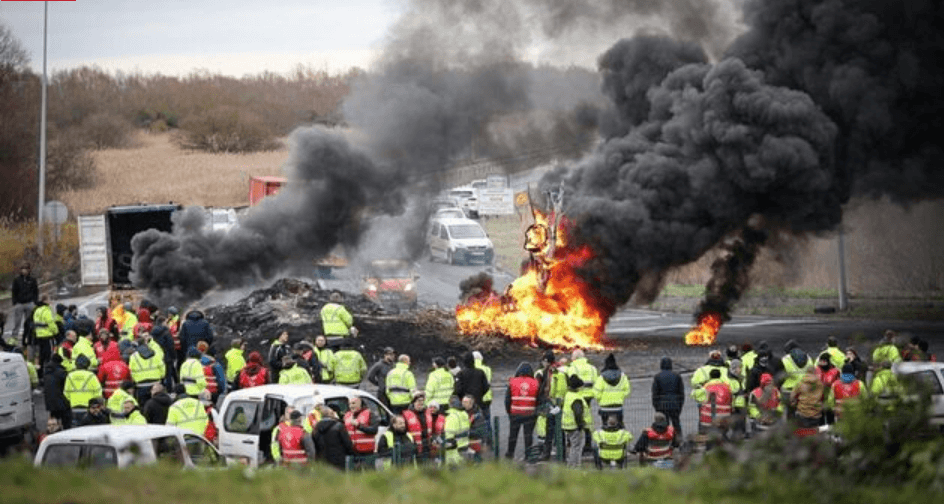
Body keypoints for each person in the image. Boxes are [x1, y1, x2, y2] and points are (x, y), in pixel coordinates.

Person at [535, 350, 567, 460]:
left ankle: (559, 455)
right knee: (551, 430)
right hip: (552, 404)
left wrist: (556, 402)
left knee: (558, 430)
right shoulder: (550, 371)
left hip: (556, 404)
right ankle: (548, 454)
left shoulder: (557, 372)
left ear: (547, 361)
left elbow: (559, 390)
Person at [505, 361, 538, 460]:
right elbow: (538, 398)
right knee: (528, 435)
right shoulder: (535, 382)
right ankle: (528, 455)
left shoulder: (512, 381)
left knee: (513, 435)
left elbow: (507, 399)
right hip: (530, 412)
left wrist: (509, 412)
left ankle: (510, 454)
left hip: (515, 412)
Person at [312, 404, 355, 470]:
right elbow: (348, 444)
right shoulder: (339, 426)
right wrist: (352, 454)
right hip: (338, 462)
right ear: (332, 414)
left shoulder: (316, 428)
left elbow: (314, 446)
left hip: (322, 462)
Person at [561, 374, 591, 468]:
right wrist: (581, 425)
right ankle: (574, 466)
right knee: (576, 447)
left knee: (573, 445)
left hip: (567, 424)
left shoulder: (568, 395)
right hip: (574, 426)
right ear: (578, 387)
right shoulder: (576, 398)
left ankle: (571, 464)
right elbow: (578, 413)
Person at [652, 357, 685, 439]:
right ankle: (678, 439)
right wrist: (680, 405)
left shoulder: (657, 377)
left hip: (662, 405)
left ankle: (666, 439)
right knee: (676, 423)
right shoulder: (677, 376)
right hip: (675, 404)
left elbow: (655, 393)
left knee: (664, 425)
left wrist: (656, 406)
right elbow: (681, 392)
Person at [692, 369, 732, 436]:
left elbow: (704, 401)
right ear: (720, 376)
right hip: (725, 414)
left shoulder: (706, 386)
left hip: (710, 416)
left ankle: (703, 434)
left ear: (710, 376)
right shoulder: (727, 386)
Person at [64, 355, 103, 423]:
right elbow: (98, 394)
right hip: (88, 408)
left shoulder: (70, 376)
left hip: (74, 407)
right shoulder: (91, 376)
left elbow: (66, 394)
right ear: (87, 364)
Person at [594, 353, 630, 427]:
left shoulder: (601, 377)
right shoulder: (623, 376)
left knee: (605, 427)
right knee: (619, 427)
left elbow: (596, 392)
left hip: (604, 407)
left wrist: (600, 400)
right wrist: (621, 397)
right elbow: (627, 390)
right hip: (618, 406)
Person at [129, 338, 165, 405]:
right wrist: (161, 377)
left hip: (141, 385)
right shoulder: (155, 354)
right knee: (157, 405)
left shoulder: (133, 356)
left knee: (143, 405)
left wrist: (134, 381)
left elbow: (131, 371)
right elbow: (162, 366)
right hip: (155, 383)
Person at [781, 340, 812, 418]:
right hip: (804, 390)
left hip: (788, 391)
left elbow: (781, 375)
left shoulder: (785, 359)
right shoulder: (808, 358)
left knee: (788, 414)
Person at [11, 263, 39, 348]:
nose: (24, 270)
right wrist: (15, 302)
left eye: (26, 269)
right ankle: (14, 339)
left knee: (30, 322)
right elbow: (14, 291)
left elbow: (36, 291)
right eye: (22, 269)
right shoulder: (17, 280)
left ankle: (30, 338)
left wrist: (35, 301)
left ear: (29, 270)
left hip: (30, 303)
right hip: (19, 303)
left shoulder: (32, 280)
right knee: (17, 323)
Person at [403, 392, 436, 458]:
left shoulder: (428, 412)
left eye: (422, 400)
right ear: (414, 402)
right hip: (415, 448)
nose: (421, 403)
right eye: (419, 401)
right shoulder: (407, 414)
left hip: (428, 445)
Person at [43, 354, 72, 430]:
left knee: (54, 420)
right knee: (66, 421)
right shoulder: (61, 372)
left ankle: (53, 432)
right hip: (60, 400)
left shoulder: (46, 371)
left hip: (49, 402)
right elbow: (66, 386)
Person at [443, 395, 471, 466]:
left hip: (454, 449)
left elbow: (448, 434)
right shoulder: (464, 414)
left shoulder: (450, 415)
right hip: (465, 444)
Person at [32, 296, 59, 370]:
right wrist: (56, 332)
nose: (50, 301)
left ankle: (40, 373)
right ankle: (48, 370)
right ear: (45, 301)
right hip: (47, 335)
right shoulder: (47, 310)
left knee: (41, 355)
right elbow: (51, 322)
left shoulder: (37, 310)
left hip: (39, 336)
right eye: (49, 299)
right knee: (49, 355)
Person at [151, 317, 177, 389]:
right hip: (167, 356)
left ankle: (161, 388)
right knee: (168, 374)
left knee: (160, 373)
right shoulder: (166, 332)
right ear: (163, 323)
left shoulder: (152, 333)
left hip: (157, 356)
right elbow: (170, 345)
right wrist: (173, 356)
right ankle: (169, 390)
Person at [472, 351, 493, 423]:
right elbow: (489, 381)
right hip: (487, 396)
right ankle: (488, 432)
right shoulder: (487, 369)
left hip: (475, 397)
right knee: (487, 417)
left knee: (475, 418)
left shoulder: (470, 369)